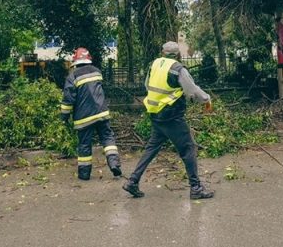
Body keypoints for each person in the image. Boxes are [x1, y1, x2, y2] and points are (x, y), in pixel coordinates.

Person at [122, 41, 215, 200]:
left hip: (156, 114)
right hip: (172, 117)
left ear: (162, 52)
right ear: (177, 54)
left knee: (151, 148)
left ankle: (132, 181)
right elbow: (191, 90)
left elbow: (147, 85)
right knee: (188, 148)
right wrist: (206, 99)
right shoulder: (178, 69)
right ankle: (196, 188)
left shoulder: (154, 64)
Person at [61, 47, 122, 181]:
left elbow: (68, 100)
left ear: (75, 61)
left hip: (84, 117)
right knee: (108, 139)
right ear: (88, 59)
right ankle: (114, 164)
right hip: (101, 112)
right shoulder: (97, 72)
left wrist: (64, 117)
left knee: (84, 145)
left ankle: (84, 175)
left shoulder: (73, 76)